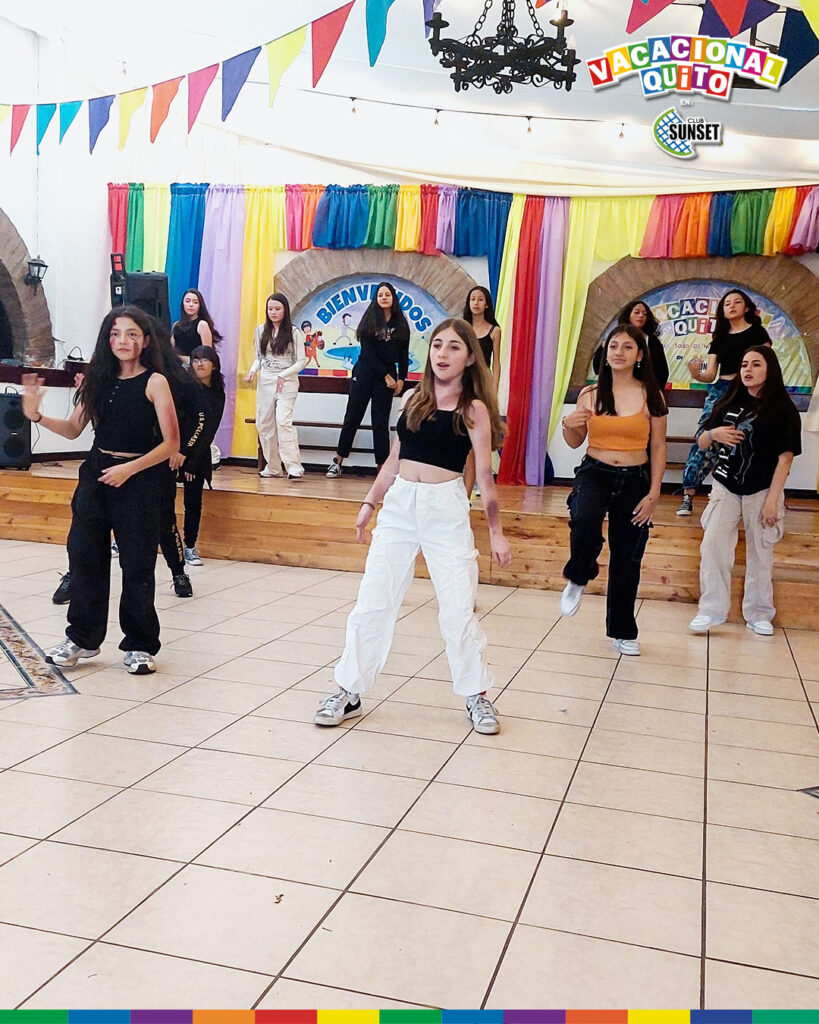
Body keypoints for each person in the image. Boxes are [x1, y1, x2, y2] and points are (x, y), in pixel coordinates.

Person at [314, 318, 511, 734]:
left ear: (469, 358)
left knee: (457, 608)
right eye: (437, 345)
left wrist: (496, 531)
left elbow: (485, 476)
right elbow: (393, 461)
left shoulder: (473, 410)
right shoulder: (412, 400)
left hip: (446, 510)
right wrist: (370, 502)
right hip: (401, 507)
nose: (442, 353)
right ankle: (349, 690)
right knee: (374, 601)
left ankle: (476, 695)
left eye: (454, 347)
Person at [22, 307, 179, 675]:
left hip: (138, 478)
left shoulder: (155, 382)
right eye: (115, 333)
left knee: (136, 564)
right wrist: (36, 415)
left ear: (145, 341)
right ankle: (82, 638)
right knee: (84, 556)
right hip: (96, 474)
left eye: (131, 333)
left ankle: (140, 644)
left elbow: (171, 443)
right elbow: (73, 430)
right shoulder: (97, 380)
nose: (123, 340)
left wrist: (129, 469)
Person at [559, 324, 668, 656]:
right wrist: (567, 425)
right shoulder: (591, 394)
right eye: (614, 346)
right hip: (595, 471)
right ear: (605, 354)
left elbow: (659, 447)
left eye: (628, 347)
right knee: (584, 519)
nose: (619, 352)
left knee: (627, 555)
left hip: (635, 478)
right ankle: (579, 575)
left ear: (639, 355)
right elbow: (574, 441)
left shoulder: (652, 394)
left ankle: (623, 630)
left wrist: (654, 494)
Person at [689, 347, 801, 636]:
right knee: (713, 545)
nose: (748, 370)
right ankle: (710, 610)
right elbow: (701, 441)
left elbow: (785, 459)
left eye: (756, 364)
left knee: (760, 550)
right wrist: (713, 434)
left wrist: (772, 501)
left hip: (763, 489)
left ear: (770, 369)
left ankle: (759, 613)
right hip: (725, 485)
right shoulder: (728, 401)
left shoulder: (783, 409)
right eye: (744, 365)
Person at [677, 289, 771, 517]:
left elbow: (768, 364)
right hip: (722, 389)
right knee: (705, 435)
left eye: (737, 302)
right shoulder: (719, 337)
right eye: (727, 303)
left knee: (751, 437)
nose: (731, 306)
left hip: (750, 390)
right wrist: (695, 372)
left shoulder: (758, 333)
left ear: (746, 307)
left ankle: (756, 494)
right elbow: (709, 374)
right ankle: (688, 494)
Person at [326, 282, 410, 477]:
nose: (384, 298)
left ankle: (382, 468)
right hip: (365, 372)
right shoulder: (369, 321)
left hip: (388, 377)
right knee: (352, 417)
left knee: (380, 422)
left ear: (393, 298)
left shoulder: (400, 324)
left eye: (387, 294)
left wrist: (401, 378)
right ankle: (338, 461)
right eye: (380, 295)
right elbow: (368, 354)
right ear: (376, 298)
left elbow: (403, 354)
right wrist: (386, 376)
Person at [172, 346, 226, 568]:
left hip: (197, 455)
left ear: (214, 365)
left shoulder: (217, 394)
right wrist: (177, 452)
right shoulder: (184, 388)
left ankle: (190, 546)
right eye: (195, 360)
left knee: (193, 502)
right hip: (173, 451)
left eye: (205, 360)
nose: (199, 364)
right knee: (155, 497)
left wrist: (191, 460)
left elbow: (208, 429)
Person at [244, 293, 307, 479]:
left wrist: (283, 374)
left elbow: (301, 362)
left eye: (277, 309)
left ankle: (294, 467)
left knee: (283, 421)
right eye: (270, 309)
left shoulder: (294, 332)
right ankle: (273, 467)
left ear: (285, 310)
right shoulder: (260, 330)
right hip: (266, 380)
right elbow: (259, 357)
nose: (273, 312)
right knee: (264, 424)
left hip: (287, 380)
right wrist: (252, 371)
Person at [462, 286, 502, 495]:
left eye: (480, 299)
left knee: (479, 436)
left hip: (482, 385)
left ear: (487, 304)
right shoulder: (463, 328)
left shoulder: (494, 330)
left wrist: (493, 389)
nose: (476, 303)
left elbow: (496, 363)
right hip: (462, 384)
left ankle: (479, 482)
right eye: (473, 299)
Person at [593, 300, 669, 390]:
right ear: (628, 315)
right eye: (637, 312)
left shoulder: (653, 342)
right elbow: (598, 368)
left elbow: (662, 372)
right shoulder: (614, 337)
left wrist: (652, 391)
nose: (641, 316)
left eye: (645, 314)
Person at [171, 289, 222, 366]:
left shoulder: (202, 325)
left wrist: (180, 357)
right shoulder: (176, 325)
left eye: (195, 302)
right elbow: (171, 349)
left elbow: (207, 353)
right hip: (177, 367)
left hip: (196, 366)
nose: (191, 305)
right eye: (187, 301)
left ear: (200, 306)